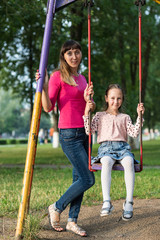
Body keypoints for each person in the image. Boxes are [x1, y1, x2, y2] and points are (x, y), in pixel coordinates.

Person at [36, 40, 95, 237]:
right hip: (69, 134)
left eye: (77, 52)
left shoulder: (83, 78)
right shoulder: (57, 77)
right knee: (88, 179)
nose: (74, 56)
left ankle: (72, 221)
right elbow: (47, 107)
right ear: (63, 56)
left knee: (78, 177)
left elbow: (85, 106)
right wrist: (43, 87)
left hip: (84, 131)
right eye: (69, 53)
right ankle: (57, 206)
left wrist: (90, 101)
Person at [83, 84, 145, 221]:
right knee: (106, 161)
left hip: (123, 148)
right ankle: (107, 201)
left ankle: (129, 202)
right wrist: (86, 112)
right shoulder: (99, 116)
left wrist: (139, 116)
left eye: (119, 98)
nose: (115, 101)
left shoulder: (125, 117)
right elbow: (89, 131)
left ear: (122, 100)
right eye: (112, 98)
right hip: (105, 148)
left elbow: (134, 133)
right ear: (106, 98)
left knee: (129, 162)